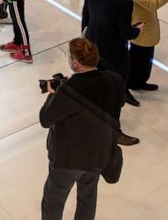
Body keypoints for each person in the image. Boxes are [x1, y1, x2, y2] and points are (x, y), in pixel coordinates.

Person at [39, 38, 125, 220]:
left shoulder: (68, 91)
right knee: (87, 197)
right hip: (98, 155)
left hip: (68, 160)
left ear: (75, 63)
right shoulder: (112, 80)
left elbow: (45, 119)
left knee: (53, 200)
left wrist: (52, 95)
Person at [81, 0, 144, 129]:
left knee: (95, 83)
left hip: (93, 45)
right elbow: (125, 33)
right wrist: (137, 30)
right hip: (114, 53)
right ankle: (112, 127)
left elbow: (86, 16)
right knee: (116, 89)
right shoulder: (124, 1)